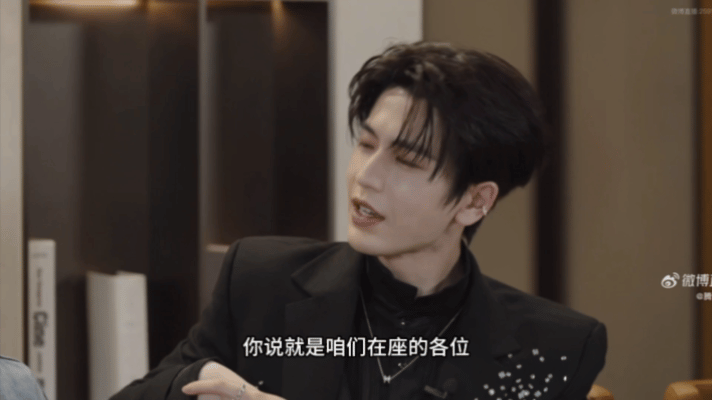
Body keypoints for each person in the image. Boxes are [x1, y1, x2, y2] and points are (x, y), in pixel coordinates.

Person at [111, 41, 607, 400]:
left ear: (475, 202)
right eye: (367, 144)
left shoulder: (552, 347)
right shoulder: (262, 279)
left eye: (407, 161)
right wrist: (198, 381)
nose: (365, 176)